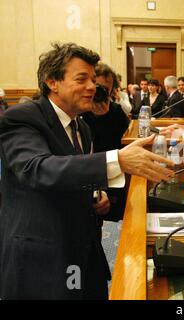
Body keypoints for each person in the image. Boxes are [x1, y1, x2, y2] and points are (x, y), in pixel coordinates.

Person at [0, 42, 174, 300]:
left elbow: (75, 173)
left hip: (84, 250)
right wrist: (118, 160)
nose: (92, 87)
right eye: (82, 79)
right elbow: (37, 168)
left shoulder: (82, 127)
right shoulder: (23, 117)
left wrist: (96, 194)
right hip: (43, 258)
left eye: (93, 79)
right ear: (52, 82)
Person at [81, 63, 130, 222]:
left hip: (112, 172)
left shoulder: (116, 111)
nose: (100, 92)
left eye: (105, 89)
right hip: (87, 173)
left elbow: (121, 141)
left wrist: (106, 117)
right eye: (98, 86)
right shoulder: (80, 111)